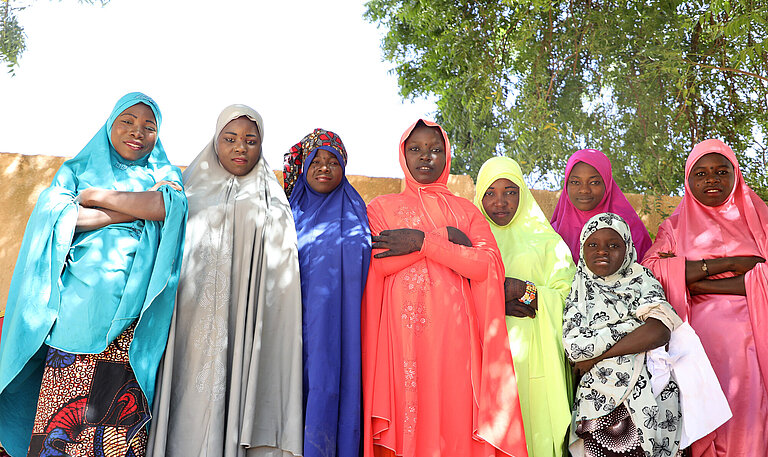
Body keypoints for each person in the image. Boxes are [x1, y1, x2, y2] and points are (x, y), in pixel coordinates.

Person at [0, 92, 187, 457]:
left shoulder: (164, 173)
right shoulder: (76, 169)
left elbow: (167, 205)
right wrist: (133, 209)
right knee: (63, 431)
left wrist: (99, 197)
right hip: (77, 320)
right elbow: (59, 218)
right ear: (110, 125)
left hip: (133, 327)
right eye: (128, 122)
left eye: (149, 127)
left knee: (116, 436)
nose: (138, 132)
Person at [362, 119, 528, 457]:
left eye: (436, 150)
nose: (426, 157)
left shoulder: (465, 211)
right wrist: (446, 239)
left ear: (447, 155)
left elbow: (485, 265)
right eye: (416, 149)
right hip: (402, 340)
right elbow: (378, 264)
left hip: (456, 341)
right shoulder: (381, 208)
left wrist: (422, 242)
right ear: (402, 154)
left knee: (454, 422)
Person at [147, 105, 303, 457]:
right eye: (230, 139)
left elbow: (282, 278)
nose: (240, 148)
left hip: (242, 321)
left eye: (250, 140)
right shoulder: (189, 189)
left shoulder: (273, 201)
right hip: (188, 320)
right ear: (215, 141)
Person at [642, 139, 768, 456]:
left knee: (749, 423)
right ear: (688, 179)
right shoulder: (673, 226)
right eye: (701, 173)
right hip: (694, 349)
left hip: (751, 348)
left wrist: (697, 282)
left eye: (720, 171)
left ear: (735, 174)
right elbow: (651, 271)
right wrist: (730, 265)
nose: (711, 179)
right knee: (703, 425)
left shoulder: (760, 222)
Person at [473, 156, 575, 457]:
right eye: (490, 193)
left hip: (534, 360)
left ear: (523, 193)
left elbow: (568, 298)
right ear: (479, 196)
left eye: (510, 191)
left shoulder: (547, 242)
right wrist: (496, 300)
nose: (500, 202)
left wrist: (525, 291)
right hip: (484, 357)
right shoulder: (472, 242)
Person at [563, 212, 682, 457]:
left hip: (648, 394)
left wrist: (596, 357)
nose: (602, 251)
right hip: (597, 403)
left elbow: (660, 330)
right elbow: (575, 348)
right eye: (592, 244)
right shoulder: (578, 286)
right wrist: (633, 326)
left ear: (627, 249)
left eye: (613, 245)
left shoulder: (641, 278)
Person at [285, 129, 371, 457]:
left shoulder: (358, 211)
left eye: (332, 161)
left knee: (332, 390)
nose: (324, 167)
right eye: (316, 160)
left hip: (342, 333)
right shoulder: (286, 211)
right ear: (303, 166)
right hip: (293, 327)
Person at [550, 149, 652, 263]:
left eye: (594, 182)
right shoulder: (552, 233)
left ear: (607, 184)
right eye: (575, 182)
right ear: (566, 185)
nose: (584, 190)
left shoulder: (631, 230)